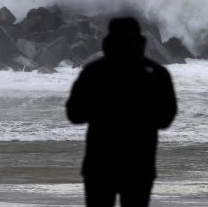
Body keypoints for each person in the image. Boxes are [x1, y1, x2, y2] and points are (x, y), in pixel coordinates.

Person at [66, 17, 177, 207]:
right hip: (139, 164)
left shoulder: (93, 71)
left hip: (99, 164)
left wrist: (102, 111)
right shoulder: (157, 73)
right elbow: (166, 119)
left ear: (109, 39)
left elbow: (75, 115)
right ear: (140, 39)